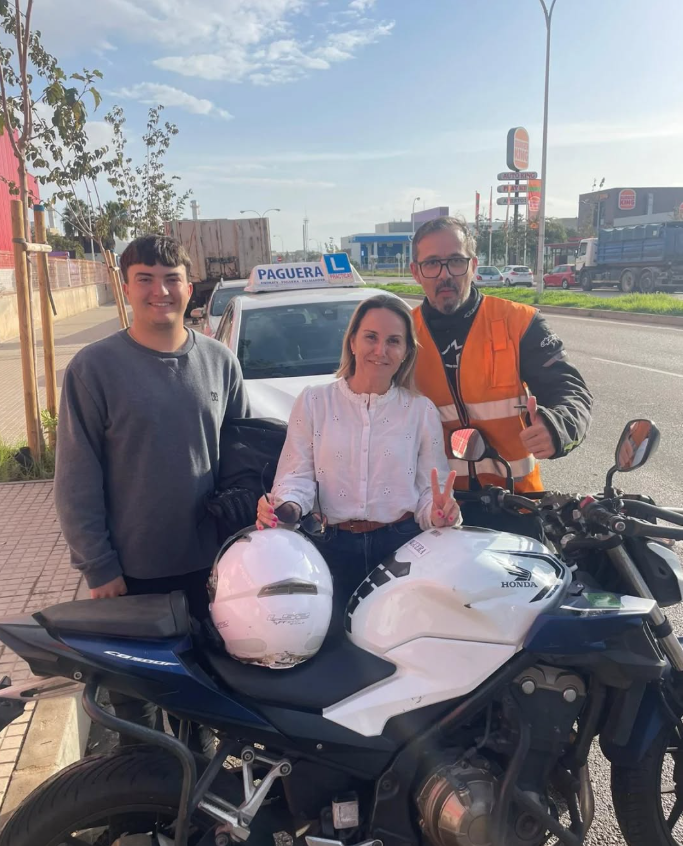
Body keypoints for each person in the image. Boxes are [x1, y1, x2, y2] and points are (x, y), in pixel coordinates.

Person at [54, 234, 249, 749]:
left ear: (190, 288)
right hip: (131, 575)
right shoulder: (94, 370)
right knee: (136, 714)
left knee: (203, 707)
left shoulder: (219, 362)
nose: (159, 290)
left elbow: (240, 459)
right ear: (126, 286)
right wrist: (100, 567)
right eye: (145, 278)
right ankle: (142, 814)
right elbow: (76, 477)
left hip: (209, 571)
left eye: (171, 279)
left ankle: (197, 820)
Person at [256, 295, 460, 634]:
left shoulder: (420, 411)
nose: (381, 350)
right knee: (331, 646)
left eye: (394, 341)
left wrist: (439, 513)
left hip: (402, 549)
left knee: (399, 644)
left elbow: (427, 493)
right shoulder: (314, 401)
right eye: (371, 337)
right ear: (352, 341)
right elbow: (296, 477)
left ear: (406, 352)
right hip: (330, 547)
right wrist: (285, 509)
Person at [409, 216, 592, 523]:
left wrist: (558, 426)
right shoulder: (403, 335)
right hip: (438, 510)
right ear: (415, 272)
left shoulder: (517, 322)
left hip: (518, 504)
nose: (445, 275)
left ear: (473, 265)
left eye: (456, 261)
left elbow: (570, 390)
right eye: (432, 264)